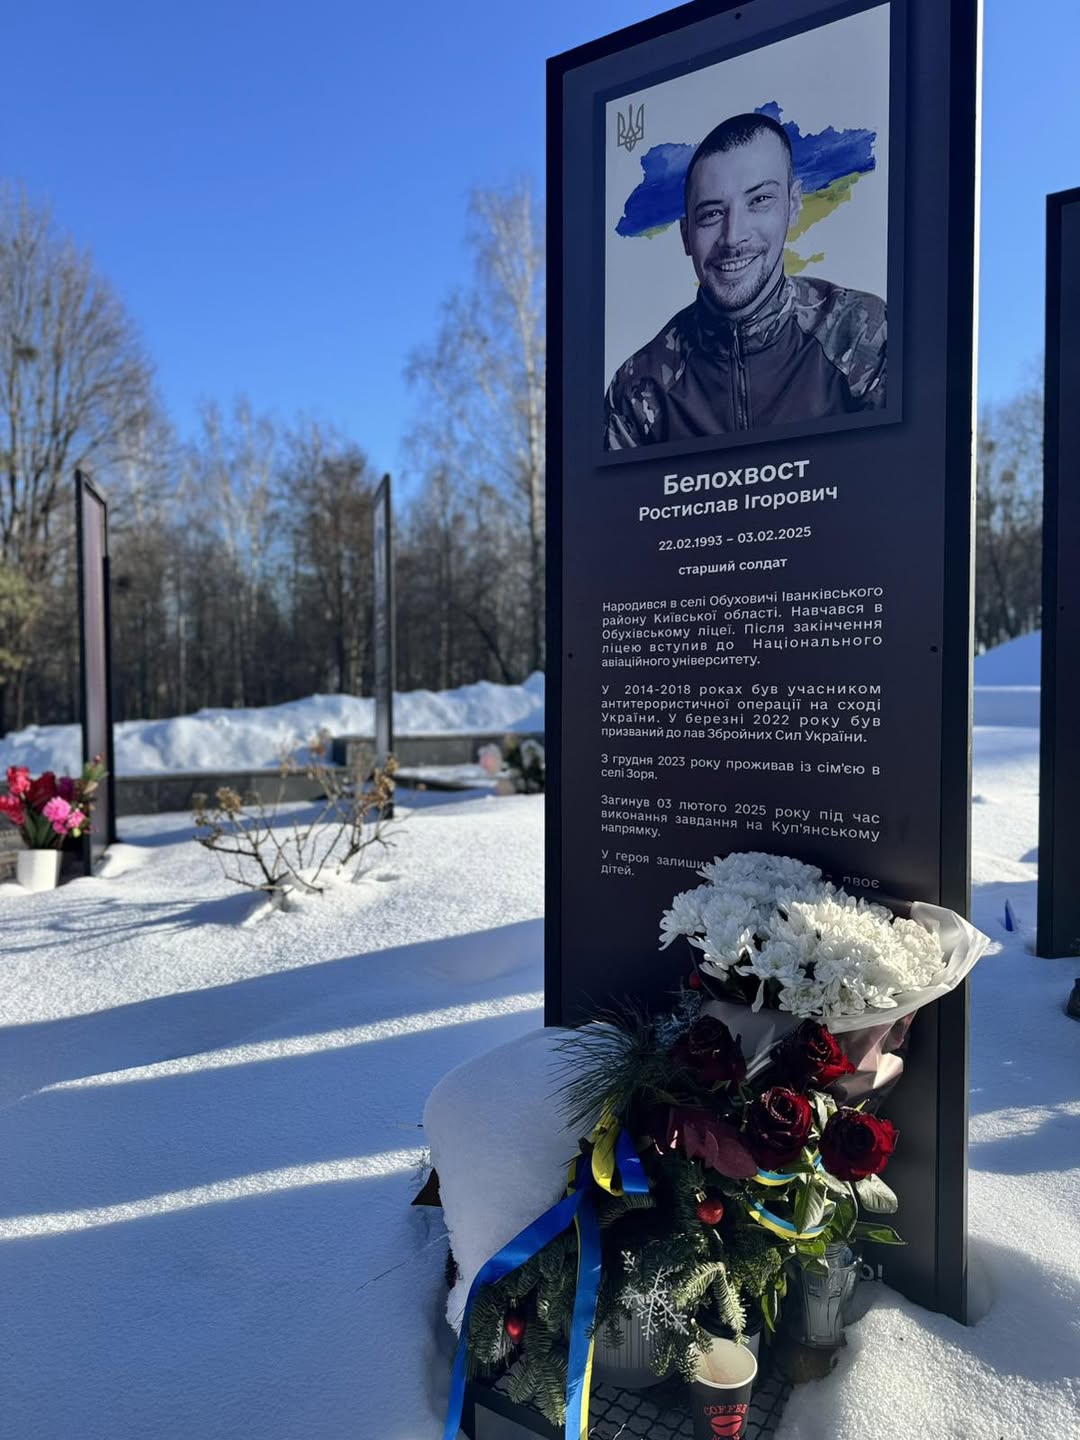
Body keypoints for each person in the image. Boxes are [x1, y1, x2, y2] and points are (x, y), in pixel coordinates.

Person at [604, 112, 887, 449]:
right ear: (685, 234)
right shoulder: (637, 386)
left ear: (793, 205)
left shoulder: (864, 335)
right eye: (711, 214)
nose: (733, 236)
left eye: (759, 201)